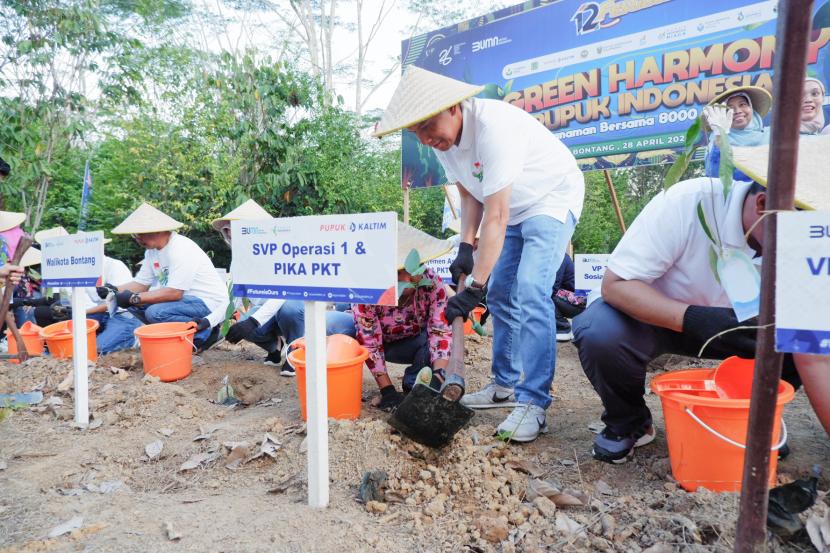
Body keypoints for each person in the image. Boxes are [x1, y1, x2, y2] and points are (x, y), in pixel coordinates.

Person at [374, 66, 585, 442]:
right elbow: (470, 196)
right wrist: (465, 248)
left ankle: (533, 403)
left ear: (454, 108)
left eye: (427, 126)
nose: (425, 139)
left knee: (531, 290)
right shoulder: (444, 144)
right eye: (416, 133)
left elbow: (498, 214)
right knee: (503, 294)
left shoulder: (493, 130)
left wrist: (475, 286)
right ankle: (503, 384)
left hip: (550, 197)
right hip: (510, 209)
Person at [573, 172, 830, 464]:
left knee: (800, 338)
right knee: (600, 331)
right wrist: (693, 318)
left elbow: (814, 354)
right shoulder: (688, 203)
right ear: (762, 204)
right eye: (798, 240)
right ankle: (629, 422)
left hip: (743, 327)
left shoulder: (816, 238)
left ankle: (756, 418)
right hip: (657, 318)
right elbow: (615, 285)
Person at [211, 199, 356, 375]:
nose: (232, 235)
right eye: (228, 230)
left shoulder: (281, 249)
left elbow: (284, 293)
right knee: (241, 324)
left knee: (290, 307)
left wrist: (254, 321)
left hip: (299, 308)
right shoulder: (239, 259)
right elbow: (232, 298)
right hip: (267, 310)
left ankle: (297, 350)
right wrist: (208, 322)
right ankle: (274, 347)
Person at [99, 202, 229, 352]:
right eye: (135, 235)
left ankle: (206, 333)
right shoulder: (151, 252)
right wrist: (113, 289)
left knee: (155, 312)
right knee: (133, 305)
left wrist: (133, 297)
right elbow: (141, 284)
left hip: (207, 301)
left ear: (158, 231)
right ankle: (181, 338)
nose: (137, 239)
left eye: (139, 234)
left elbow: (174, 293)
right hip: (184, 302)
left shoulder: (180, 248)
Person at [351, 223, 453, 411]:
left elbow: (440, 333)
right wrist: (388, 391)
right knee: (339, 331)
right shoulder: (368, 289)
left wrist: (439, 377)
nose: (406, 279)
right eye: (398, 272)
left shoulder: (432, 285)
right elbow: (370, 341)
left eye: (411, 271)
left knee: (427, 342)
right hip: (378, 342)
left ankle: (414, 387)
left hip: (411, 342)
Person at [703, 86, 771, 180]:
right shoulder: (716, 143)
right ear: (721, 114)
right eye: (729, 108)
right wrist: (720, 136)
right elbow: (716, 178)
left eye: (742, 104)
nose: (737, 111)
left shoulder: (771, 135)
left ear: (751, 108)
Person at [553, 253, 575, 342]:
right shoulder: (560, 255)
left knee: (543, 296)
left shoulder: (559, 257)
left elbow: (553, 286)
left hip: (576, 302)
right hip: (571, 300)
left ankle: (562, 327)